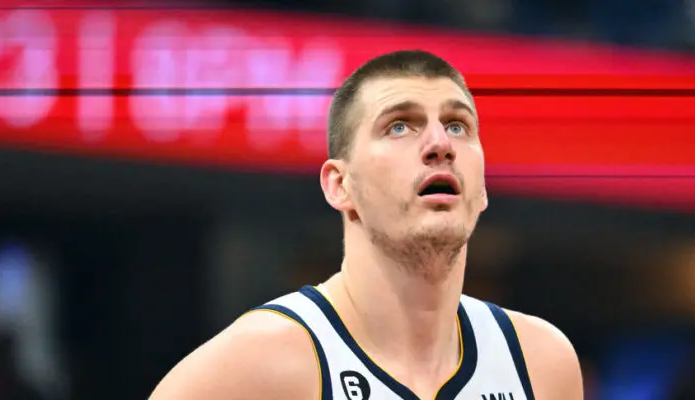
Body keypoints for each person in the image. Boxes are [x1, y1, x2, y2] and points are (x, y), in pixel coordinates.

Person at [149, 50, 583, 400]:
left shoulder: (541, 363)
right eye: (399, 126)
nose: (439, 145)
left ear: (482, 187)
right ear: (340, 185)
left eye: (456, 125)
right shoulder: (259, 363)